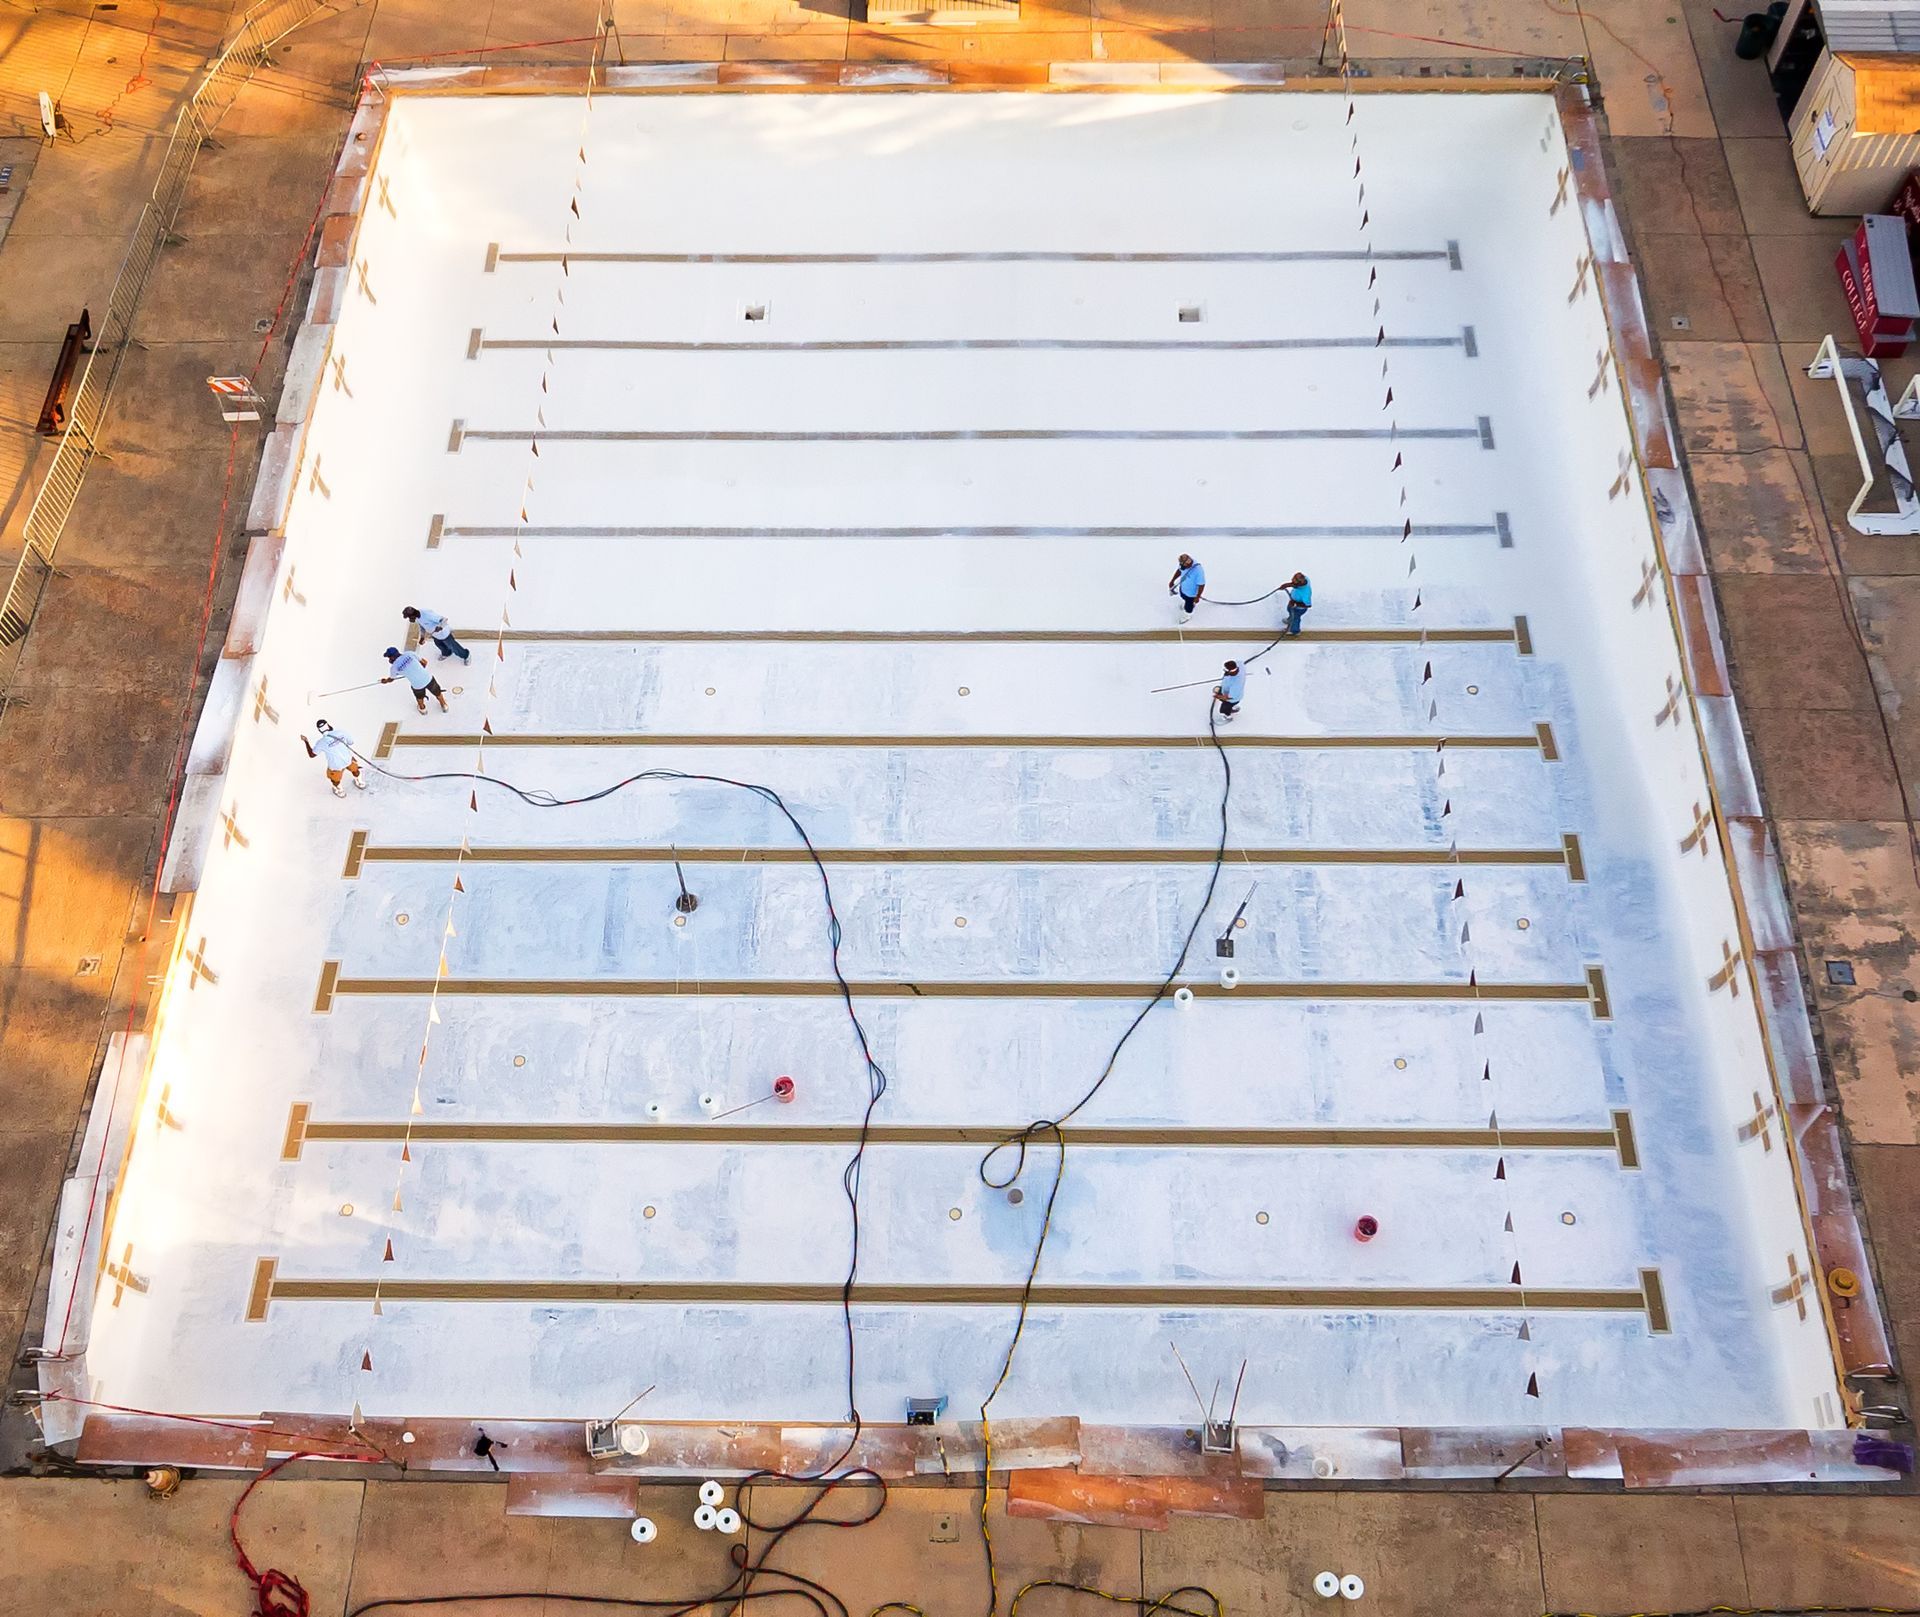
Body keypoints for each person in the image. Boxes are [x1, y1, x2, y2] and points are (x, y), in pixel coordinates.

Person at [304, 719, 368, 798]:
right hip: (348, 760)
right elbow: (351, 742)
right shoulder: (341, 732)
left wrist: (306, 741)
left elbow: (312, 754)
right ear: (328, 725)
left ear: (320, 731)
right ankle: (359, 782)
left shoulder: (321, 742)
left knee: (335, 780)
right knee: (355, 770)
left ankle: (339, 790)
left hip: (335, 766)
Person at [383, 645, 449, 714]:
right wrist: (419, 670)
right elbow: (425, 662)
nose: (389, 659)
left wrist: (385, 681)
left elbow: (391, 679)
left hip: (417, 685)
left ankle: (423, 709)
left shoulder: (394, 667)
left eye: (389, 657)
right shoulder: (409, 653)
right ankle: (444, 705)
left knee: (419, 697)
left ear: (392, 657)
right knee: (438, 693)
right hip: (428, 678)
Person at [403, 605, 470, 663]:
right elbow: (422, 627)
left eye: (409, 617)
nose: (409, 619)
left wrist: (440, 626)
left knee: (453, 647)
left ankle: (466, 655)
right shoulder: (417, 618)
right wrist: (422, 637)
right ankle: (447, 653)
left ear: (414, 614)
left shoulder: (427, 615)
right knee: (439, 645)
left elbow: (444, 619)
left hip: (444, 634)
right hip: (435, 635)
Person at [1283, 571, 1312, 637]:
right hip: (1293, 603)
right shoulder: (1305, 580)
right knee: (1290, 610)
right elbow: (1295, 585)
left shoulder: (1305, 594)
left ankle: (1295, 631)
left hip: (1300, 608)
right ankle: (1290, 620)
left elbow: (1307, 605)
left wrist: (1295, 603)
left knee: (1296, 618)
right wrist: (1286, 585)